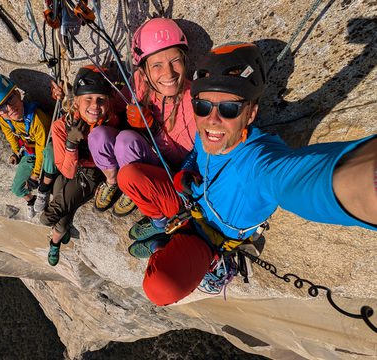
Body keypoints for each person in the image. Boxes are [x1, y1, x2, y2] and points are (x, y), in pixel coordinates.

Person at [117, 42, 377, 306]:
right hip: (188, 210)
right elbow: (197, 152)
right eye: (203, 106)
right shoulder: (206, 132)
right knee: (128, 177)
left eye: (229, 108)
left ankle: (160, 247)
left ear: (251, 112)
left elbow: (307, 181)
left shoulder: (259, 164)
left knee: (162, 287)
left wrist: (365, 181)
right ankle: (162, 231)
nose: (212, 120)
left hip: (211, 242)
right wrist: (185, 170)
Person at [52, 18, 198, 217]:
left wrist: (153, 127)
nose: (168, 73)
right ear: (144, 72)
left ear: (184, 60)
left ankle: (132, 187)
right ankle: (112, 181)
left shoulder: (193, 101)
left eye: (175, 61)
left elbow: (180, 159)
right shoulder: (138, 81)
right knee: (99, 135)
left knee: (126, 141)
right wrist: (71, 102)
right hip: (136, 154)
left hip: (161, 169)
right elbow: (115, 106)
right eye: (157, 65)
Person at [40, 65, 121, 266]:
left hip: (90, 175)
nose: (95, 105)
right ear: (76, 101)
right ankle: (56, 241)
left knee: (55, 214)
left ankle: (56, 239)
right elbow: (66, 170)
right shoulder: (61, 126)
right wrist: (71, 144)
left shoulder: (111, 119)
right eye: (89, 99)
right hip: (70, 170)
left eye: (101, 100)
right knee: (63, 214)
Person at [0, 73, 57, 218]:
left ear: (17, 94)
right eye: (1, 108)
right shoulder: (5, 120)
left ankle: (43, 191)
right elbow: (10, 135)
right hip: (30, 154)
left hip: (45, 152)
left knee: (50, 153)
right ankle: (31, 200)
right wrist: (16, 152)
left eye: (10, 99)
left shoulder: (36, 118)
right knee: (17, 189)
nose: (9, 109)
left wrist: (35, 175)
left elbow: (42, 147)